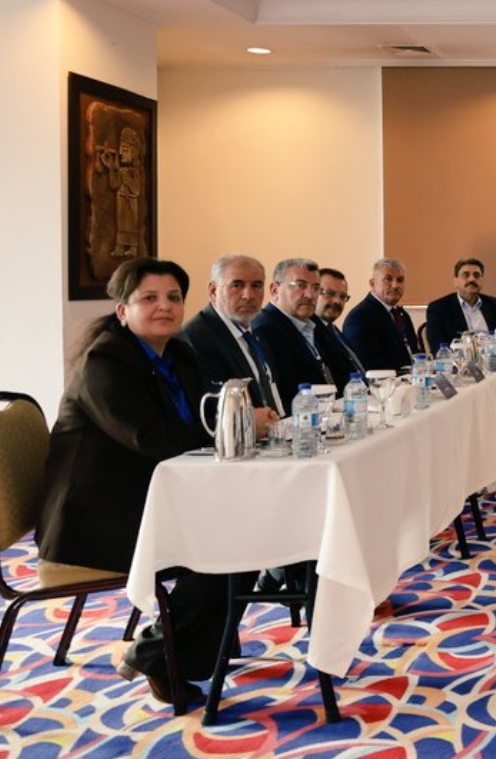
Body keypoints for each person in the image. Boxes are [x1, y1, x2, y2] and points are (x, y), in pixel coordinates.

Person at [35, 258, 228, 707]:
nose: (165, 306)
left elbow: (199, 422)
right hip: (92, 519)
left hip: (147, 498)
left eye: (174, 297)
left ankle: (171, 651)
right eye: (149, 298)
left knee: (242, 535)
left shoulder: (178, 354)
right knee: (221, 549)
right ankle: (159, 657)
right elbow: (156, 439)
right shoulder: (105, 362)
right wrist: (228, 427)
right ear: (123, 311)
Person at [178, 253, 282, 435]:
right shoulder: (197, 337)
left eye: (256, 285)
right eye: (237, 285)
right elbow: (211, 411)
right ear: (213, 291)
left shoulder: (253, 330)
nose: (248, 295)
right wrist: (248, 424)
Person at [252, 258, 357, 411]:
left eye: (315, 288)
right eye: (300, 285)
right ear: (275, 290)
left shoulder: (312, 324)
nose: (310, 294)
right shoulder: (265, 329)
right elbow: (284, 394)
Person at [342, 258, 419, 371]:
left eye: (400, 280)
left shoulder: (401, 314)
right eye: (388, 279)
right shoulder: (359, 318)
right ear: (372, 283)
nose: (395, 285)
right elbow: (369, 366)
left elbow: (414, 352)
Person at [425, 257, 496, 354]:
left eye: (476, 275)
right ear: (456, 281)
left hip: (494, 359)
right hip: (459, 361)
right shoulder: (438, 308)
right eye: (465, 275)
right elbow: (438, 347)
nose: (472, 279)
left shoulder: (494, 305)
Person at [316, 267, 367, 375]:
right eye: (330, 293)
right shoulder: (309, 335)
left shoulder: (334, 331)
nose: (337, 301)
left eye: (342, 297)